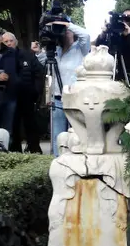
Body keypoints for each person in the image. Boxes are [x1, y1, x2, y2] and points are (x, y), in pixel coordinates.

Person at [36, 20, 90, 156]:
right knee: (57, 133)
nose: (64, 33)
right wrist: (40, 49)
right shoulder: (55, 51)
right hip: (57, 97)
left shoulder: (80, 48)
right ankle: (58, 159)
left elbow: (85, 35)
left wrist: (66, 24)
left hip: (75, 97)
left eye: (66, 31)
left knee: (76, 131)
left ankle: (76, 158)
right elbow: (43, 64)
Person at [4, 32, 45, 153]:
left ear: (16, 42)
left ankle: (34, 149)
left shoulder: (27, 55)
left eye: (11, 41)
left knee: (31, 124)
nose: (9, 43)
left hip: (27, 96)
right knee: (13, 124)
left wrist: (36, 91)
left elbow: (39, 73)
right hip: (9, 97)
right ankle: (15, 150)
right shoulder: (2, 57)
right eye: (5, 42)